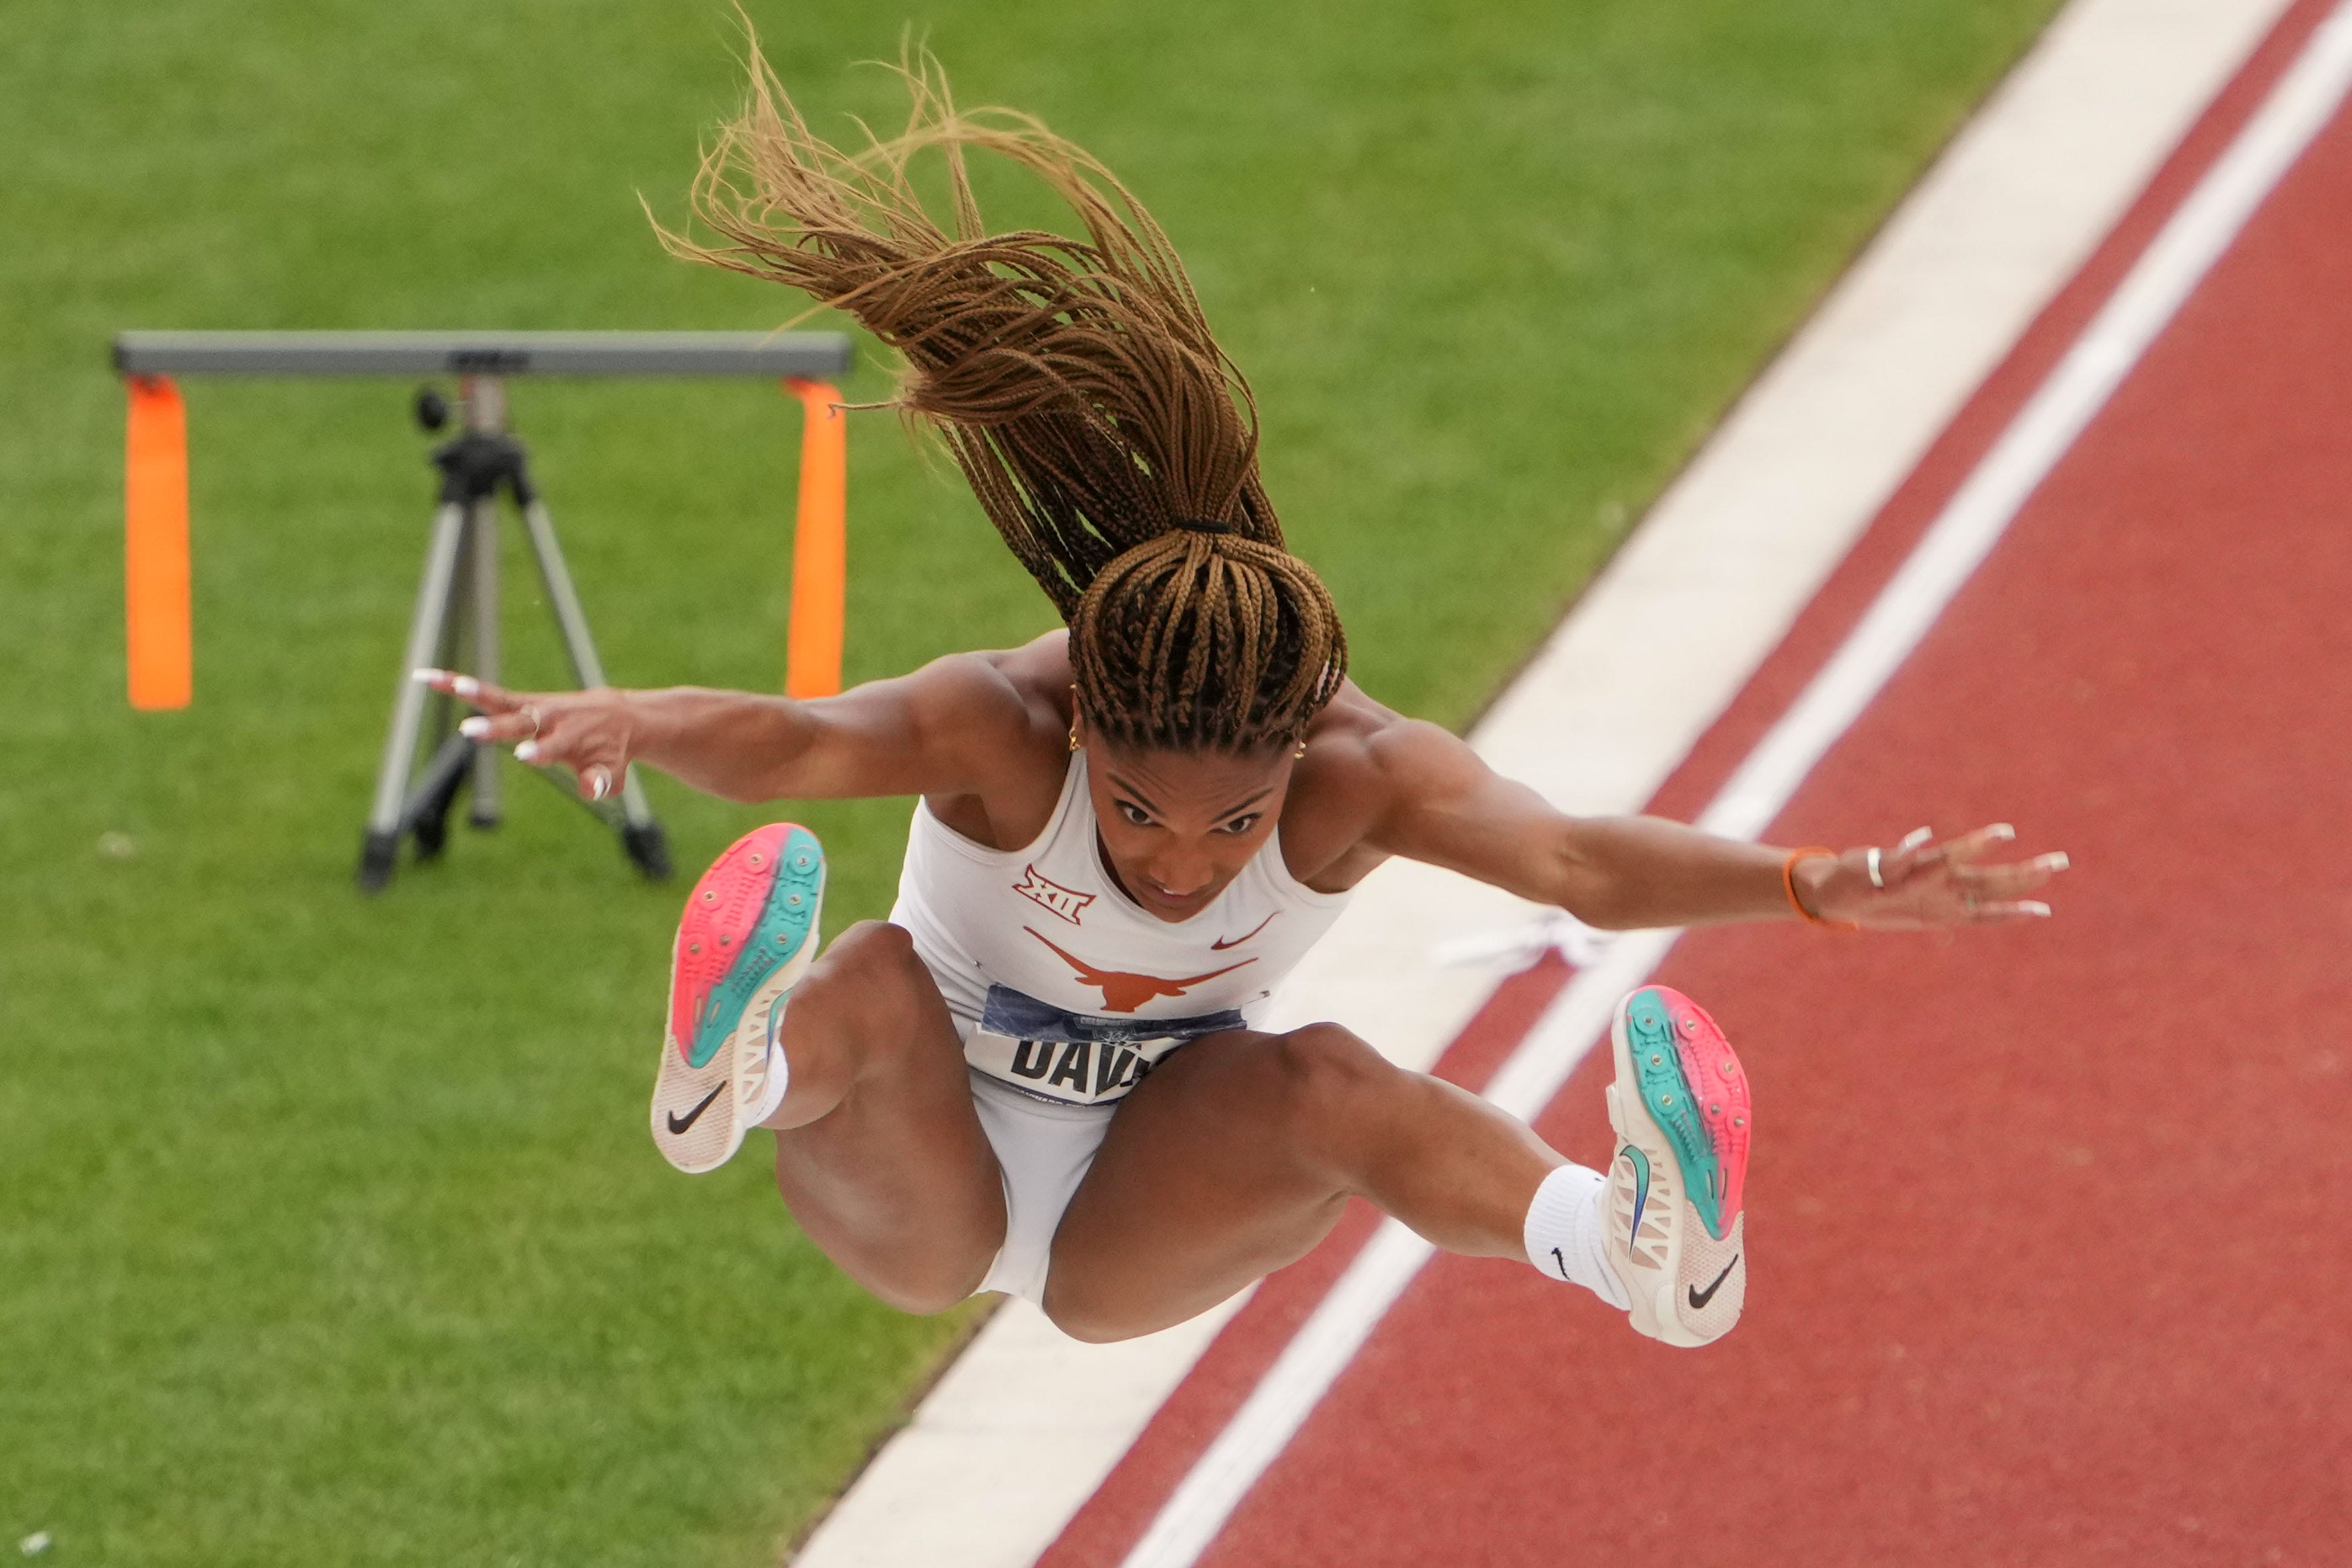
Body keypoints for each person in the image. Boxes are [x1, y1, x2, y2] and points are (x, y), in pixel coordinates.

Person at [418, 54, 2066, 1349]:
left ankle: (1635, 1258)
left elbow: (1571, 864)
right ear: (1081, 737)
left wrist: (1811, 888)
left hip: (1153, 1196)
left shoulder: (1364, 773)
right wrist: (634, 715)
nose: (1187, 864)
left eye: (1233, 821)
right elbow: (798, 741)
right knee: (864, 972)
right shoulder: (997, 722)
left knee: (1332, 1078)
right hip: (924, 1178)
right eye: (1136, 811)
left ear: (1297, 758)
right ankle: (725, 1089)